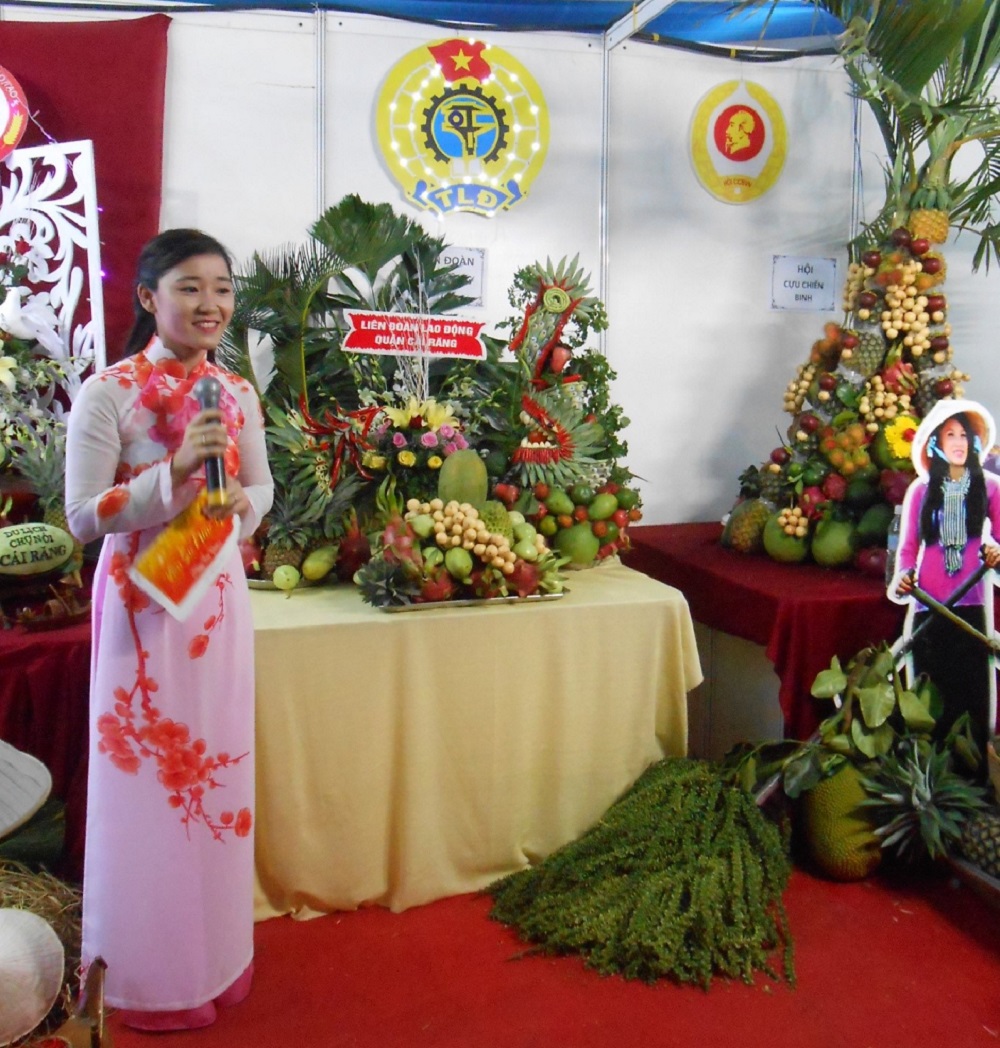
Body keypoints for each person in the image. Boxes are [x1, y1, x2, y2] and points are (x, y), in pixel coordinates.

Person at [65, 229, 273, 1031]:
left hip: (216, 598)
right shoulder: (107, 393)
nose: (211, 304)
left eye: (222, 287)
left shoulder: (237, 391)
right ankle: (152, 979)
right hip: (141, 602)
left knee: (217, 772)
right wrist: (175, 471)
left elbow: (262, 489)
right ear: (149, 297)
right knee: (151, 787)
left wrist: (231, 505)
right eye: (191, 287)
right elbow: (83, 518)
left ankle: (219, 956)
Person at [888, 398, 1000, 757]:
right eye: (949, 434)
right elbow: (907, 550)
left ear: (974, 443)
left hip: (970, 605)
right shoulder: (921, 492)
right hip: (928, 604)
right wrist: (905, 578)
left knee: (971, 689)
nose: (958, 442)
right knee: (930, 691)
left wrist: (995, 553)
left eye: (964, 435)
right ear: (935, 443)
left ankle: (973, 776)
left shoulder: (991, 489)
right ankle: (931, 766)